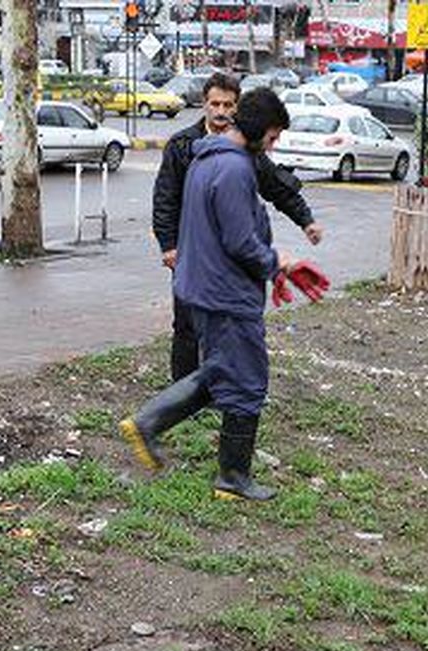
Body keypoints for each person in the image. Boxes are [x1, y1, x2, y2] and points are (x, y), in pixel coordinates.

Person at [124, 88, 309, 501]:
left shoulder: (205, 159)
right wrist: (278, 262)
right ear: (260, 129)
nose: (274, 145)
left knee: (224, 371)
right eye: (274, 136)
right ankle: (229, 476)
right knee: (248, 381)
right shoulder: (234, 170)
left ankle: (159, 428)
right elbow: (240, 241)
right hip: (226, 293)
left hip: (203, 287)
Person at [152, 72, 323, 381]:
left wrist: (305, 219)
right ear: (204, 104)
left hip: (223, 267)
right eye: (215, 104)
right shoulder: (185, 147)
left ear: (238, 108)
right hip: (194, 255)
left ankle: (193, 399)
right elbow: (166, 199)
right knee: (189, 327)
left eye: (228, 105)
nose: (221, 111)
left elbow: (276, 186)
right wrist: (169, 245)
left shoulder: (248, 151)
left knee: (220, 341)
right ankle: (180, 391)